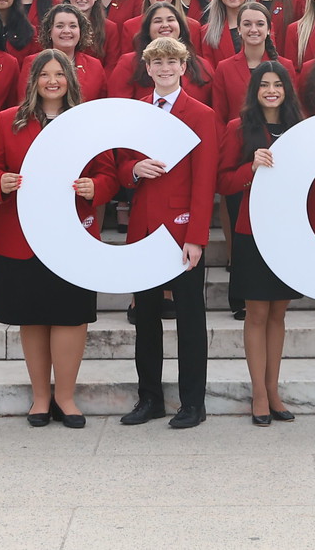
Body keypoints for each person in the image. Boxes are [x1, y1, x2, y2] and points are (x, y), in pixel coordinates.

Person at [0, 48, 115, 427]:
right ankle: (40, 398)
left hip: (73, 236)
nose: (53, 80)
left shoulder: (88, 124)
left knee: (71, 317)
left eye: (60, 74)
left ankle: (66, 398)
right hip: (21, 237)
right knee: (33, 317)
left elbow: (108, 174)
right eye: (45, 74)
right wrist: (0, 183)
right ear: (33, 80)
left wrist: (96, 187)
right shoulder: (8, 121)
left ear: (70, 80)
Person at [115, 36, 219, 429]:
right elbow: (123, 159)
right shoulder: (137, 110)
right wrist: (133, 171)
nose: (163, 68)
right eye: (156, 62)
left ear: (183, 67)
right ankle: (150, 398)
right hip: (142, 228)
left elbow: (205, 179)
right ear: (147, 68)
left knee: (190, 319)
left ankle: (193, 402)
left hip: (180, 232)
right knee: (146, 318)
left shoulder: (201, 113)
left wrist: (196, 236)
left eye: (170, 62)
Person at [218, 61, 306, 423]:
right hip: (252, 231)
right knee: (256, 312)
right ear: (254, 90)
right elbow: (223, 182)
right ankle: (257, 393)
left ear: (287, 90)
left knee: (279, 313)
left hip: (289, 232)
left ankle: (273, 390)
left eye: (278, 84)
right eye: (264, 84)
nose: (272, 90)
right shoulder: (238, 128)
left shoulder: (301, 129)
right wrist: (249, 169)